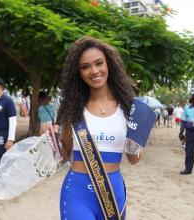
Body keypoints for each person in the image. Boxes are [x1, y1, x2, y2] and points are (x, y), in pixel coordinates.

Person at [57, 37, 154, 220]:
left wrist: (139, 137)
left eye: (99, 63)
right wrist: (50, 141)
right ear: (79, 73)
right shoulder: (72, 108)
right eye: (85, 67)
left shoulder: (129, 109)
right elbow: (63, 155)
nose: (94, 71)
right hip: (77, 194)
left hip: (112, 193)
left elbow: (133, 159)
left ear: (108, 64)